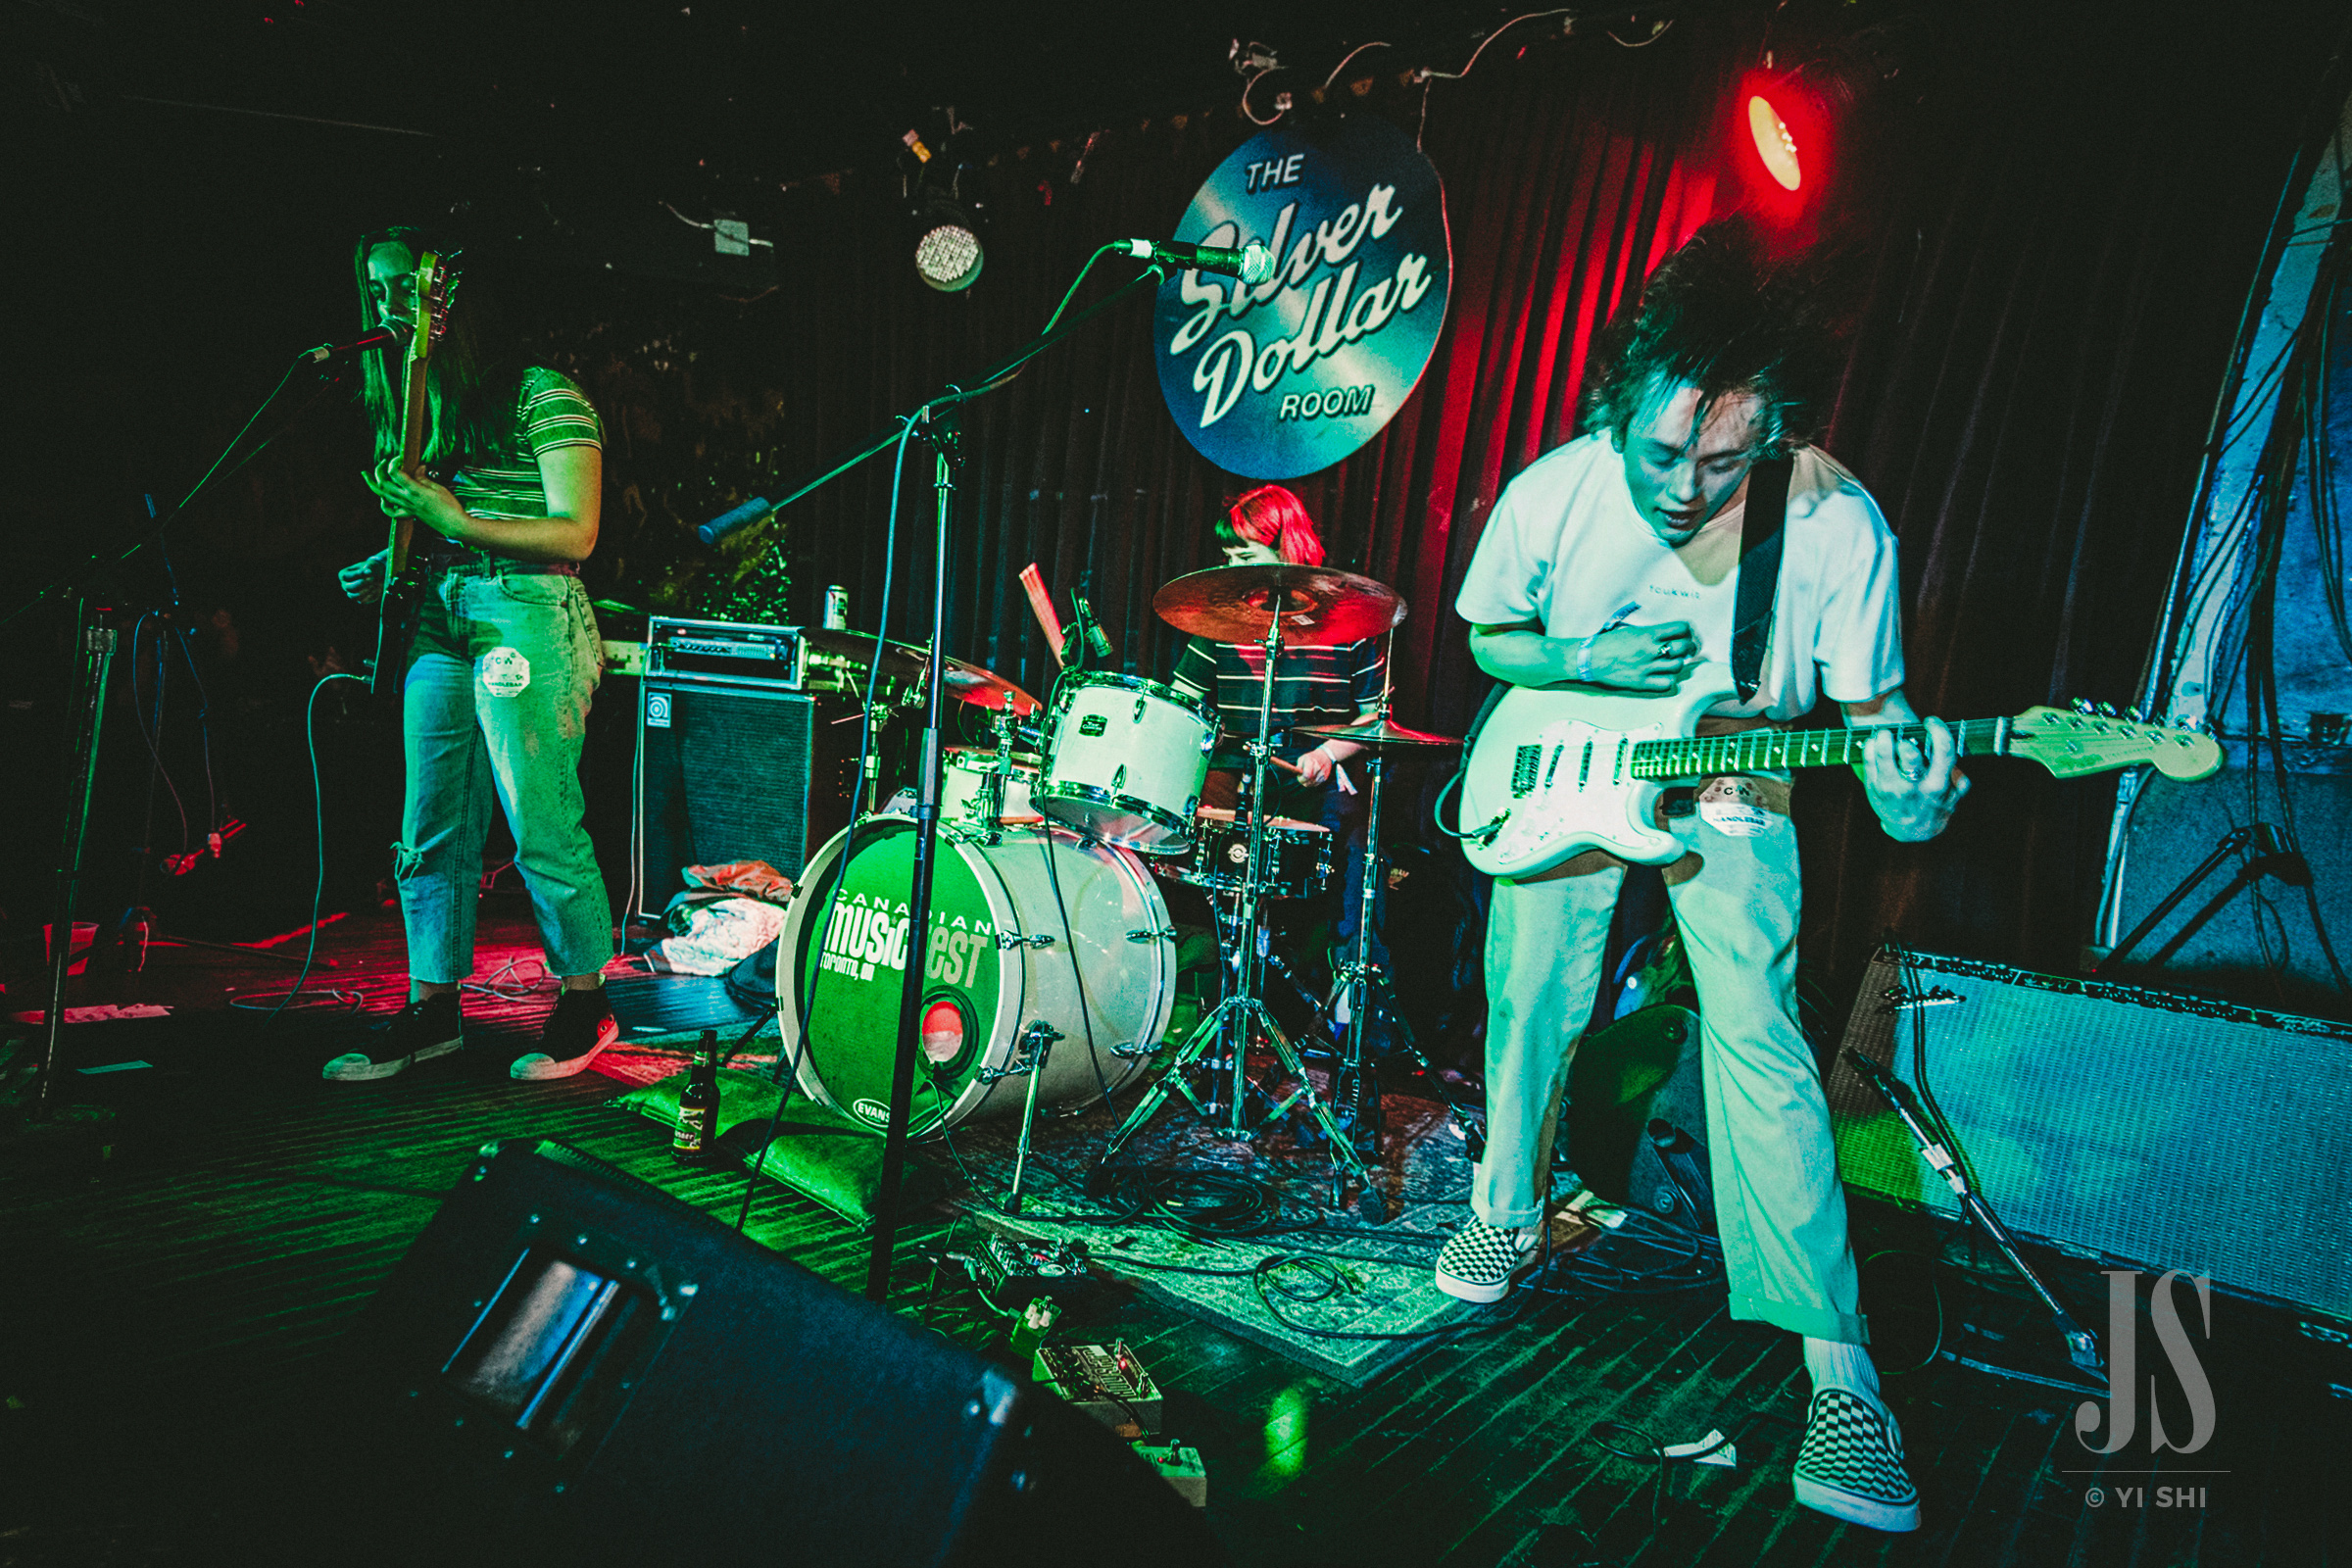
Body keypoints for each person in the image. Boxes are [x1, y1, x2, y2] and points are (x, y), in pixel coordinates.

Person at [1442, 222, 1968, 1534]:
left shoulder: (1832, 521)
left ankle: (1842, 1378)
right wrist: (1578, 662)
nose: (1684, 485)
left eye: (1723, 460)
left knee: (1760, 1046)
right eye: (1661, 452)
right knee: (1531, 998)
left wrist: (1909, 788)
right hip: (1565, 764)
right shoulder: (1559, 489)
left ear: (1773, 429)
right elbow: (1490, 635)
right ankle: (1507, 1209)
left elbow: (1879, 714)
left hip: (1732, 776)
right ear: (1619, 405)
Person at [326, 226, 618, 1084]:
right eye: (378, 289)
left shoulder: (542, 393)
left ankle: (585, 1001)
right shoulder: (415, 400)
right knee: (431, 822)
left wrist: (453, 519)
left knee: (539, 815)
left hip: (526, 608)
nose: (392, 306)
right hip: (439, 611)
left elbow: (577, 531)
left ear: (451, 291)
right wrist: (393, 561)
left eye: (407, 287)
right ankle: (432, 1010)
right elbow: (444, 527)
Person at [1169, 484, 1383, 831]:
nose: (1232, 570)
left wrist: (1327, 754)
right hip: (1233, 768)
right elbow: (1179, 703)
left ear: (1286, 551)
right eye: (1229, 559)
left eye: (1246, 558)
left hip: (1311, 771)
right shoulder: (1219, 623)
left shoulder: (1349, 625)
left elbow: (1374, 716)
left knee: (1346, 840)